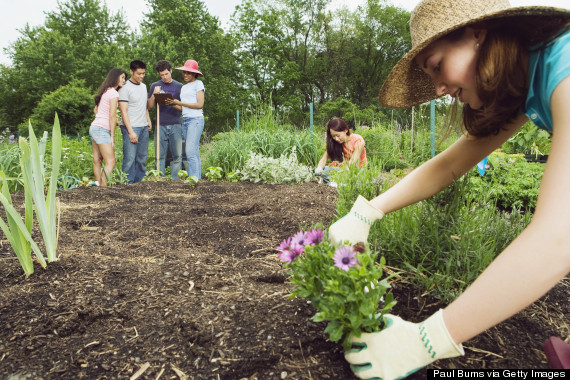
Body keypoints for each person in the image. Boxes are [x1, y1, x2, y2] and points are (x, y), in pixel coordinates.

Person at [328, 0, 570, 378]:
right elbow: (451, 163)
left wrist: (429, 338)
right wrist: (367, 211)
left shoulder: (565, 67)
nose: (439, 88)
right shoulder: (528, 75)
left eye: (437, 66)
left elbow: (558, 238)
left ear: (478, 34)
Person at [166, 59, 205, 179]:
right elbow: (184, 109)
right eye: (184, 72)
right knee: (194, 152)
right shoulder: (184, 88)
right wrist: (172, 103)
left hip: (196, 120)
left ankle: (193, 179)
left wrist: (180, 103)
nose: (185, 75)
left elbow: (199, 104)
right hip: (186, 120)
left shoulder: (199, 84)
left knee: (190, 152)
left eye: (188, 72)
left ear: (194, 74)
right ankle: (196, 178)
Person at [89, 68, 127, 186]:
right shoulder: (114, 93)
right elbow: (112, 116)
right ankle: (103, 189)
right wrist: (112, 137)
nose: (124, 81)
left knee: (97, 160)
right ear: (115, 78)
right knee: (111, 161)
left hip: (94, 127)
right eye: (122, 78)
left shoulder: (105, 91)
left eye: (124, 78)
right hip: (102, 130)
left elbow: (96, 110)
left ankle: (99, 185)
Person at [147, 60, 184, 179]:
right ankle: (160, 179)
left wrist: (172, 103)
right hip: (160, 124)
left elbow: (183, 108)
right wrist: (154, 94)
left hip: (175, 124)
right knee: (159, 155)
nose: (165, 77)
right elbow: (150, 106)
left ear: (171, 71)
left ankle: (175, 180)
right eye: (162, 75)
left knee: (177, 155)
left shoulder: (179, 87)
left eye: (166, 74)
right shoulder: (155, 85)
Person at [119, 60, 152, 184]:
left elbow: (143, 106)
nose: (142, 76)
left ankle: (139, 184)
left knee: (142, 158)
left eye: (143, 73)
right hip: (131, 127)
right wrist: (131, 131)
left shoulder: (143, 86)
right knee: (130, 159)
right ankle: (127, 185)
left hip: (143, 126)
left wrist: (148, 120)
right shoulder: (124, 88)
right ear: (131, 72)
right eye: (139, 73)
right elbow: (123, 111)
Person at [315, 117, 367, 184]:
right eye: (333, 136)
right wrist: (319, 168)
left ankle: (342, 184)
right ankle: (339, 184)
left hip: (358, 170)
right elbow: (324, 158)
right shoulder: (337, 142)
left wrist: (340, 177)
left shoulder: (358, 140)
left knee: (356, 182)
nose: (336, 139)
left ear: (345, 130)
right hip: (344, 169)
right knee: (324, 170)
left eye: (338, 135)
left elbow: (353, 161)